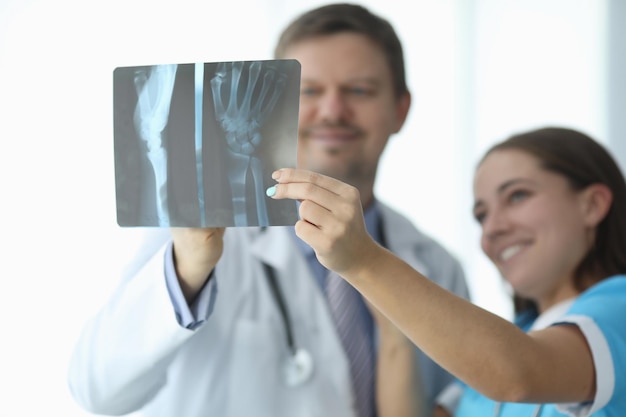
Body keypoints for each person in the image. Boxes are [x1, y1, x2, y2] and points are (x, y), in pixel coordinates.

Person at [67, 3, 470, 417]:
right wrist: (187, 271)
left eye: (359, 90)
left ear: (400, 110)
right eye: (309, 91)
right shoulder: (189, 236)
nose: (332, 110)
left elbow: (464, 403)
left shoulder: (436, 267)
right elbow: (97, 390)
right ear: (274, 106)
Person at [267, 126, 626, 416]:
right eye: (481, 215)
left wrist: (364, 260)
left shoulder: (618, 308)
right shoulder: (505, 345)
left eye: (517, 196)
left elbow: (518, 375)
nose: (493, 228)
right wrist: (393, 331)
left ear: (592, 205)